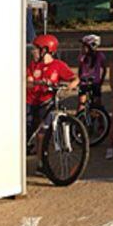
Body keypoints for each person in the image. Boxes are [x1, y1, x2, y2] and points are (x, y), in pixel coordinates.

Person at [26, 34, 79, 174]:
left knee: (42, 133)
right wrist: (37, 82)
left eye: (36, 49)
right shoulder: (33, 66)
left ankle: (41, 164)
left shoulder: (58, 65)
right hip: (30, 102)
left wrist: (70, 86)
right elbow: (28, 81)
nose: (33, 52)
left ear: (45, 50)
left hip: (47, 101)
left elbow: (74, 78)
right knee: (27, 130)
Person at [77, 34, 106, 110]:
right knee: (82, 102)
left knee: (97, 104)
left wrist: (101, 81)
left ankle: (102, 119)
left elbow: (104, 69)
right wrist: (79, 79)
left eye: (84, 46)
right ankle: (79, 119)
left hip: (95, 82)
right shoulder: (82, 56)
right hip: (84, 82)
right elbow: (80, 69)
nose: (82, 49)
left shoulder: (100, 56)